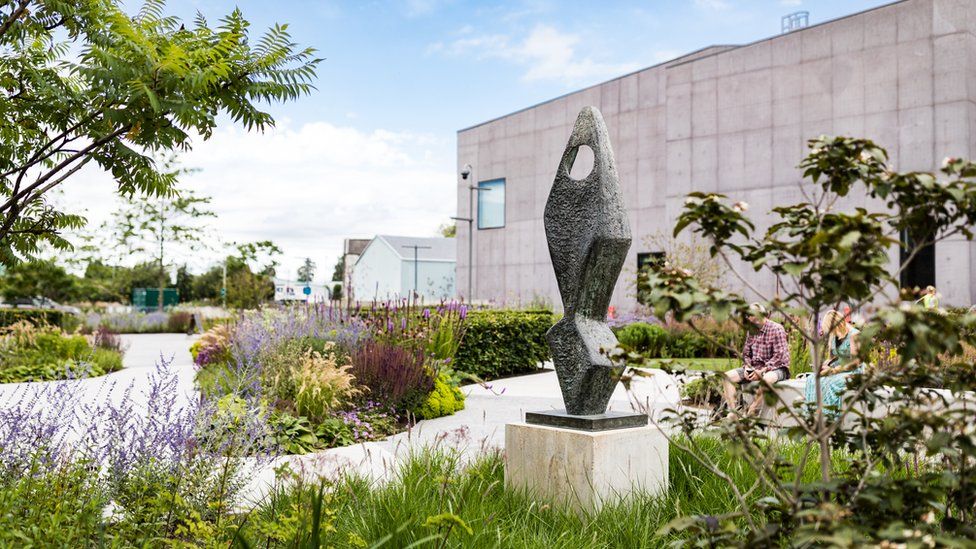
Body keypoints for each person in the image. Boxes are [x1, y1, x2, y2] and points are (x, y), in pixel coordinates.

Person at [722, 303, 791, 415]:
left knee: (767, 379)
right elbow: (746, 354)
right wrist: (747, 368)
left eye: (749, 315)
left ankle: (752, 411)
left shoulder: (777, 329)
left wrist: (762, 371)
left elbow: (779, 356)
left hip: (777, 368)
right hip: (755, 368)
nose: (747, 318)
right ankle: (733, 413)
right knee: (726, 376)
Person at [804, 309, 861, 416]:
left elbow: (856, 362)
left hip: (853, 371)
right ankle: (812, 415)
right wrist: (823, 365)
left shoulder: (854, 335)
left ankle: (828, 417)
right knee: (812, 379)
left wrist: (834, 370)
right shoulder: (834, 335)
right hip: (837, 369)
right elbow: (831, 357)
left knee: (830, 383)